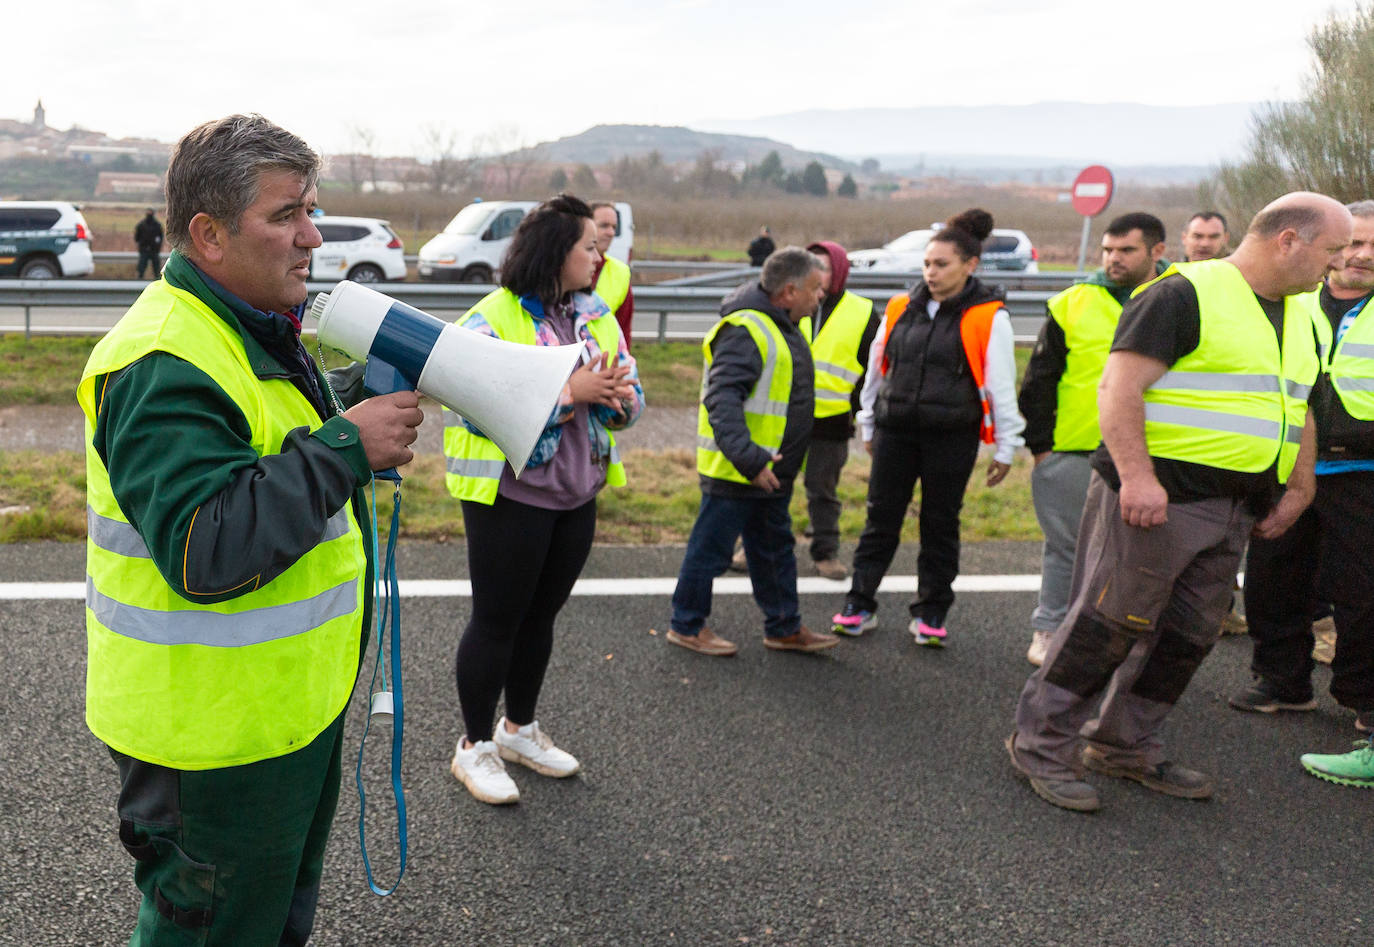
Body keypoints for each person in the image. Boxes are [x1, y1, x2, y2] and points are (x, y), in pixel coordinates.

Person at [79, 114, 424, 942]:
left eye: (313, 208)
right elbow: (207, 543)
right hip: (210, 749)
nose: (312, 236)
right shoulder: (163, 358)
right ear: (208, 234)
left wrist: (341, 396)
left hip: (277, 723)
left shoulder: (246, 323)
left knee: (266, 929)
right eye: (286, 216)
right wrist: (346, 445)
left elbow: (255, 437)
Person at [1006, 192, 1352, 814]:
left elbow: (1297, 404)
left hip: (1234, 505)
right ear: (1288, 241)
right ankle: (1040, 743)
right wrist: (1137, 478)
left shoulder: (1302, 315)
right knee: (1106, 626)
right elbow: (1119, 387)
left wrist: (1300, 487)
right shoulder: (1182, 294)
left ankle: (1123, 744)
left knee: (1189, 635)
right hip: (1156, 500)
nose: (1337, 265)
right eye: (1333, 250)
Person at [444, 194, 643, 805]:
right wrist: (571, 390)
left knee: (541, 618)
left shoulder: (596, 314)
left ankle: (518, 730)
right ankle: (474, 745)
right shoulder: (491, 318)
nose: (599, 253)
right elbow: (470, 398)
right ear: (557, 252)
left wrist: (616, 398)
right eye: (588, 244)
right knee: (497, 620)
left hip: (576, 493)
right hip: (510, 495)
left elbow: (630, 394)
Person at [831, 209, 1024, 644]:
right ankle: (859, 604)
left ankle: (932, 612)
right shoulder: (901, 308)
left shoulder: (989, 316)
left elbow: (1000, 385)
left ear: (970, 265)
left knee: (940, 525)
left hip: (952, 437)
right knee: (880, 521)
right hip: (896, 430)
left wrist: (1007, 447)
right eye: (927, 264)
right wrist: (867, 422)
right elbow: (877, 370)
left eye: (942, 264)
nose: (931, 273)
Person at [1230, 200, 1374, 738]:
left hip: (1365, 471)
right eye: (1353, 243)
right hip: (1290, 464)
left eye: (1372, 246)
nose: (1360, 255)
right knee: (1274, 578)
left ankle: (1365, 699)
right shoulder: (1294, 302)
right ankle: (1282, 682)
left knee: (1363, 593)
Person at [667, 246, 839, 656]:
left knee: (774, 551)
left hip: (769, 469)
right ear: (790, 291)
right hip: (739, 469)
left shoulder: (783, 325)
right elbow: (722, 399)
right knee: (711, 552)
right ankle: (686, 624)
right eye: (816, 289)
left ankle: (783, 626)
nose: (821, 297)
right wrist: (749, 458)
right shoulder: (748, 329)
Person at [1018, 213, 1167, 666]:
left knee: (1140, 554)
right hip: (1074, 450)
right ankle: (1049, 629)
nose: (1113, 259)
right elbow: (1039, 381)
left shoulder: (1178, 299)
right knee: (1066, 547)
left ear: (1156, 251)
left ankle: (1126, 638)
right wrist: (1043, 450)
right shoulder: (1072, 302)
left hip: (1157, 452)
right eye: (1108, 250)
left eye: (1126, 251)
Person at [797, 241, 881, 580]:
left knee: (822, 489)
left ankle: (825, 551)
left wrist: (862, 413)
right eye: (810, 265)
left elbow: (872, 369)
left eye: (825, 266)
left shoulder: (861, 311)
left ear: (840, 270)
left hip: (831, 419)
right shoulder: (790, 301)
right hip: (783, 415)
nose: (817, 273)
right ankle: (755, 546)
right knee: (770, 485)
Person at [591, 201, 634, 346]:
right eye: (604, 226)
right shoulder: (564, 267)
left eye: (614, 227)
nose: (611, 233)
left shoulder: (620, 272)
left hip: (605, 364)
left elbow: (623, 328)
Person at [133, 206, 163, 279]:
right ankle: (138, 282)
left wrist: (157, 247)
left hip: (154, 250)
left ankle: (157, 281)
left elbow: (161, 237)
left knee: (156, 268)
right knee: (141, 267)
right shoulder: (141, 225)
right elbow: (137, 237)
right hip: (144, 250)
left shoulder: (157, 225)